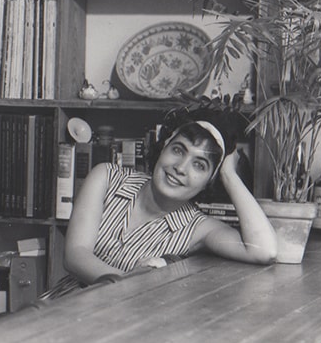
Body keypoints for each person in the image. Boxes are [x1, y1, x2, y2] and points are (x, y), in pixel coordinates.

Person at [51, 108, 277, 296]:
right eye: (178, 150)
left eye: (199, 165)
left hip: (122, 328)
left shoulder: (199, 228)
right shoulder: (106, 177)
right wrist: (133, 285)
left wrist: (229, 175)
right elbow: (75, 254)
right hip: (62, 306)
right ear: (163, 148)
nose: (180, 167)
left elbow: (264, 251)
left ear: (209, 181)